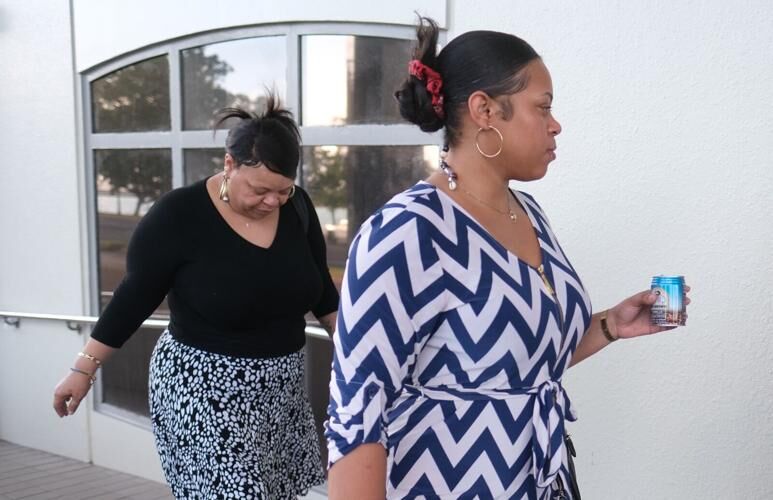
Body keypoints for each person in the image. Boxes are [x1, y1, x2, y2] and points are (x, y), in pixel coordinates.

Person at [325, 18, 690, 500]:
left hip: (542, 482)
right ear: (485, 110)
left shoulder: (529, 213)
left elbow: (515, 362)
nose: (556, 124)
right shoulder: (408, 231)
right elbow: (357, 415)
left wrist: (609, 325)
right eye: (543, 107)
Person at [53, 94, 339, 499]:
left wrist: (354, 349)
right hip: (203, 387)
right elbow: (133, 297)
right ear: (229, 164)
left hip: (279, 392)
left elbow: (321, 289)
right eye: (260, 190)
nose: (272, 201)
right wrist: (83, 370)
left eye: (283, 190)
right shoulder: (179, 214)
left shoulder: (299, 208)